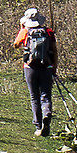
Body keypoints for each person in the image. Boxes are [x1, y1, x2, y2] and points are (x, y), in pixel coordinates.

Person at [12, 7, 58, 136]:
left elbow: (16, 45)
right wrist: (54, 67)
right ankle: (47, 113)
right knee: (46, 95)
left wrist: (22, 29)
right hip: (47, 67)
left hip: (30, 68)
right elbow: (54, 50)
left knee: (34, 97)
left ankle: (38, 126)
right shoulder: (48, 32)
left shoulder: (26, 31)